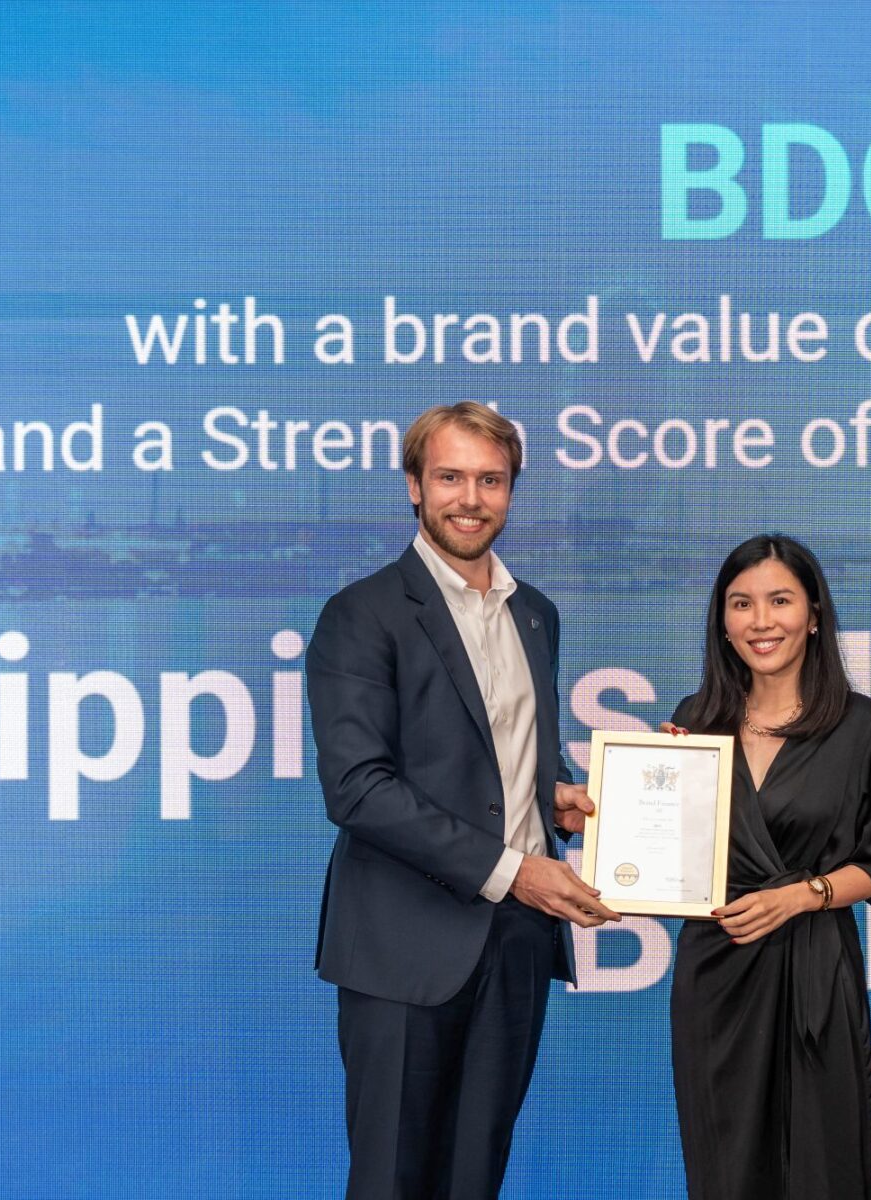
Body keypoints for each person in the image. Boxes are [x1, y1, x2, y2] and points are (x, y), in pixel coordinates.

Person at [306, 401, 616, 1200]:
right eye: (450, 477)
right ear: (414, 486)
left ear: (512, 490)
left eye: (490, 480)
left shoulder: (535, 614)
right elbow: (358, 788)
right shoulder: (361, 614)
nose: (470, 499)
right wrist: (515, 870)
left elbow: (502, 757)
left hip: (515, 946)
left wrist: (554, 798)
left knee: (476, 1178)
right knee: (393, 1182)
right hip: (403, 945)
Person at [664, 534, 871, 1200]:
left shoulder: (860, 725)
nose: (760, 621)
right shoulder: (693, 721)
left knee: (824, 1166)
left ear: (814, 614)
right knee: (725, 1171)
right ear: (722, 620)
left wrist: (802, 895)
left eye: (780, 600)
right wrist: (648, 793)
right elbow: (672, 863)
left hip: (815, 969)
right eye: (741, 603)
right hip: (717, 973)